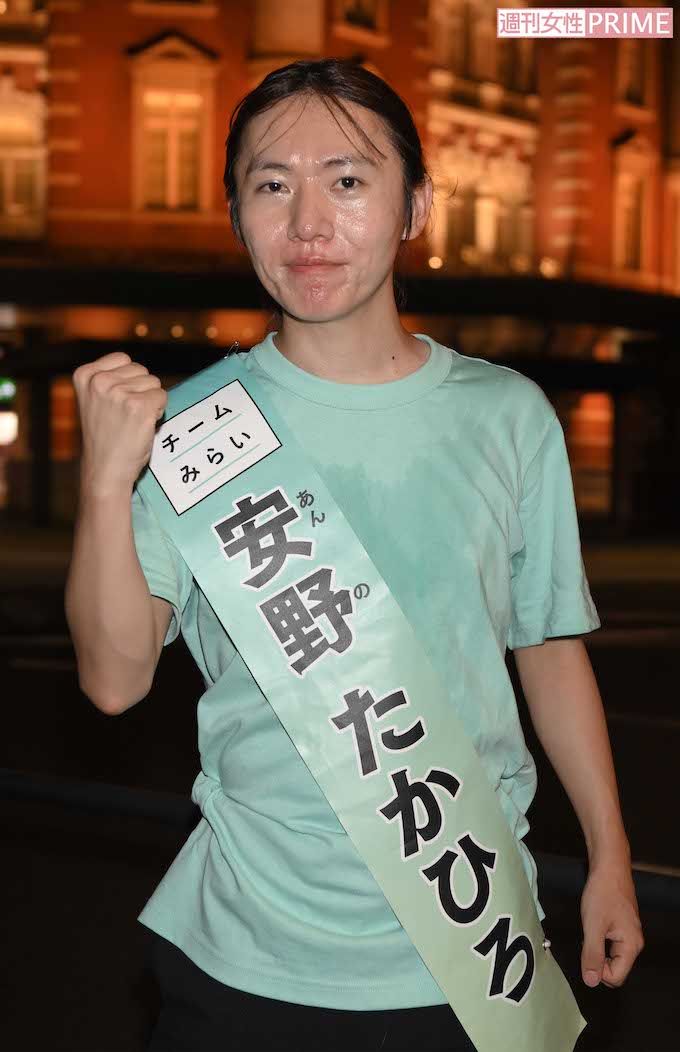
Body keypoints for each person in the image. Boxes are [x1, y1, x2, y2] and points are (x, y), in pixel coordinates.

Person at [65, 58, 644, 1052]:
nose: (307, 224)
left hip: (467, 945)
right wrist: (102, 484)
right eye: (270, 184)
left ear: (415, 204)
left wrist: (609, 854)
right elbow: (115, 682)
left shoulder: (506, 415)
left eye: (346, 180)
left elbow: (548, 650)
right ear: (236, 214)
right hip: (245, 955)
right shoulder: (196, 428)